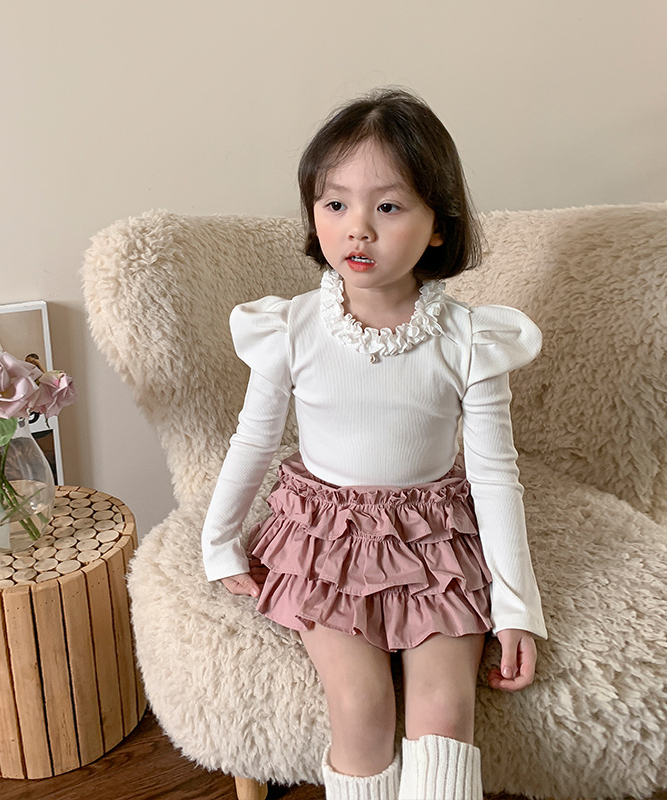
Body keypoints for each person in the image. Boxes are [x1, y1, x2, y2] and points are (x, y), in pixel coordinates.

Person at [201, 88, 547, 800]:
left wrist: (517, 607)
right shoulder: (290, 328)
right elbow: (255, 440)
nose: (357, 228)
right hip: (325, 539)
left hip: (433, 540)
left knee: (445, 711)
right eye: (335, 204)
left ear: (438, 226)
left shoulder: (470, 339)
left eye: (388, 207)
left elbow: (494, 473)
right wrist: (219, 541)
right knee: (360, 706)